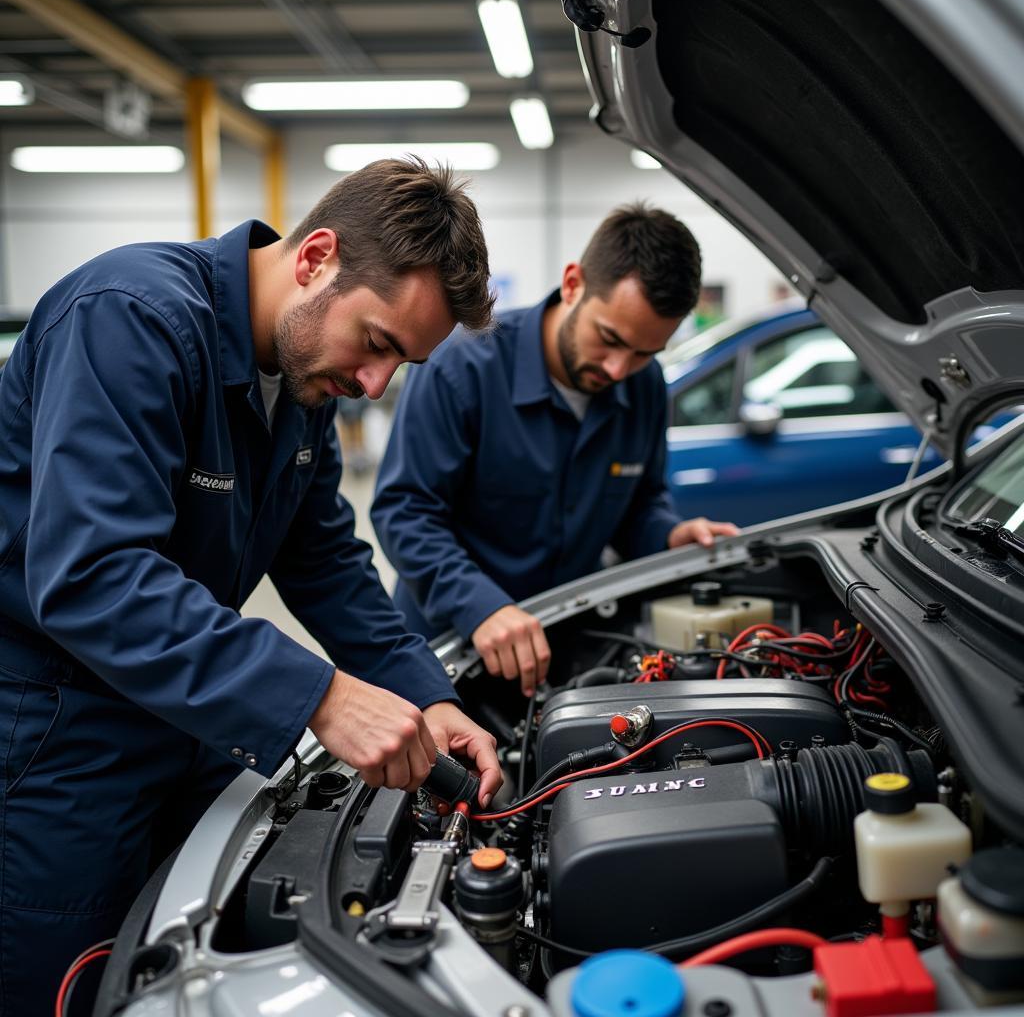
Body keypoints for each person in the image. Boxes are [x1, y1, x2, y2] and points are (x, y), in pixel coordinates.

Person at [0, 158, 502, 1016]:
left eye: (401, 365)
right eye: (377, 343)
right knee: (66, 983)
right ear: (315, 258)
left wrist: (431, 697)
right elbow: (93, 576)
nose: (376, 385)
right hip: (57, 724)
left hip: (185, 708)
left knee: (187, 959)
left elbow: (326, 565)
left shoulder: (300, 385)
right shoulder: (131, 318)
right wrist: (321, 697)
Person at [372, 204, 740, 697]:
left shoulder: (645, 386)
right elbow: (405, 511)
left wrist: (671, 535)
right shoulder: (463, 368)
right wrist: (479, 605)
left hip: (567, 651)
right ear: (573, 284)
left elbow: (641, 504)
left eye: (643, 353)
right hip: (450, 651)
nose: (617, 369)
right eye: (609, 338)